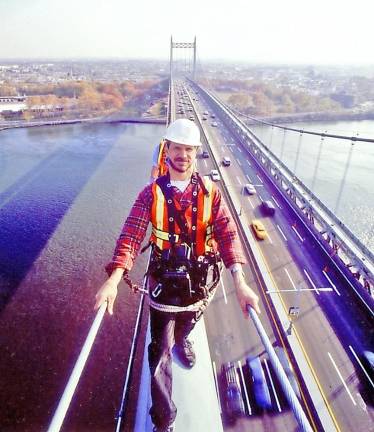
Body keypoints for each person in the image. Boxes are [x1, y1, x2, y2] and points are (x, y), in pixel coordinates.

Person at [95, 118, 260, 432]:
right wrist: (114, 279)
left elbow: (228, 236)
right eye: (177, 148)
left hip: (200, 284)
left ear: (196, 152)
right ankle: (163, 421)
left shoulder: (211, 194)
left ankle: (183, 338)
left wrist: (240, 282)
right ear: (166, 150)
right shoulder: (150, 195)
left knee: (188, 323)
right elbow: (130, 236)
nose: (182, 154)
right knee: (159, 353)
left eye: (188, 149)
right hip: (164, 285)